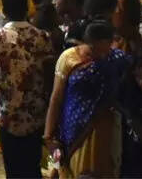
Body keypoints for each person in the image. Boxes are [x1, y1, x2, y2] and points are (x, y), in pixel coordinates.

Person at [43, 21, 131, 179]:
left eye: (105, 51)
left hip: (103, 129)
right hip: (70, 128)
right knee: (64, 169)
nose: (100, 56)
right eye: (94, 50)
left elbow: (138, 64)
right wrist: (48, 136)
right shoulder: (69, 58)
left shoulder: (116, 59)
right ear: (86, 42)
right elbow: (56, 98)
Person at [0, 0, 53, 178]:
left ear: (4, 11)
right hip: (36, 115)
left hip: (9, 116)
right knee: (33, 167)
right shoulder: (42, 36)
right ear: (26, 9)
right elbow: (49, 77)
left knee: (13, 170)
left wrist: (8, 77)